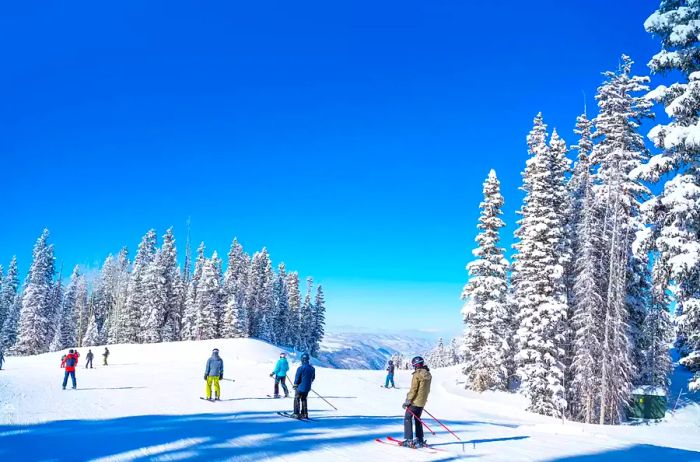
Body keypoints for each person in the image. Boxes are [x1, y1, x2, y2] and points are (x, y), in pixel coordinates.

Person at [401, 356, 432, 448]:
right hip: (422, 402)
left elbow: (413, 390)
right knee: (418, 419)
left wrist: (407, 401)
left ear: (416, 365)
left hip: (415, 402)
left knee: (407, 418)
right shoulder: (428, 374)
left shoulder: (417, 374)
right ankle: (420, 439)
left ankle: (409, 440)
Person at [291, 352, 315, 419]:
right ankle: (305, 413)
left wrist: (295, 384)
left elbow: (297, 377)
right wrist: (308, 383)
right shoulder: (312, 368)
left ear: (302, 359)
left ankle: (296, 413)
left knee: (297, 398)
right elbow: (313, 378)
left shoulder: (300, 368)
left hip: (300, 387)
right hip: (307, 387)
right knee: (304, 399)